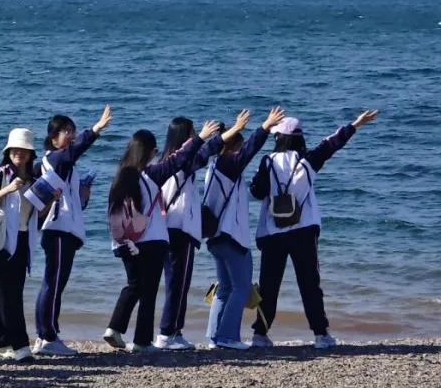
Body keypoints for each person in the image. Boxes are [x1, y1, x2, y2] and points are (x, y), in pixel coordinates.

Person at [103, 117, 242, 352]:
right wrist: (204, 137)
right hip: (154, 239)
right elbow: (185, 157)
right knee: (153, 290)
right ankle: (149, 339)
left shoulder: (123, 176)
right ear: (148, 152)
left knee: (134, 286)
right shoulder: (155, 172)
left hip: (126, 240)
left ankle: (115, 328)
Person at [249, 110, 380, 349]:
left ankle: (260, 334)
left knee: (269, 284)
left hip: (272, 232)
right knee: (310, 283)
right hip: (304, 230)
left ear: (277, 138)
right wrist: (356, 124)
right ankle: (321, 335)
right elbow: (331, 144)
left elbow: (257, 192)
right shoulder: (308, 160)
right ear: (299, 137)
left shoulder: (267, 161)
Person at [33, 106, 112, 356]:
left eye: (72, 131)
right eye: (65, 131)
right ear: (53, 137)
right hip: (56, 230)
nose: (70, 135)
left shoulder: (67, 166)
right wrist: (96, 129)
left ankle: (48, 334)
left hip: (67, 230)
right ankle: (46, 337)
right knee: (52, 283)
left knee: (56, 283)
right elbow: (75, 150)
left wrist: (84, 196)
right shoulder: (55, 158)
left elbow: (74, 203)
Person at [204, 107, 286, 349]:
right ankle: (228, 337)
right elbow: (250, 151)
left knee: (224, 289)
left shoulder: (214, 167)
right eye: (237, 146)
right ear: (230, 147)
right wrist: (265, 127)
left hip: (216, 238)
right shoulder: (228, 165)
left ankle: (213, 337)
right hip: (231, 238)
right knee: (240, 288)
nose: (241, 151)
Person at [154, 116, 232, 350]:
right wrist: (216, 136)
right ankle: (168, 333)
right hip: (180, 230)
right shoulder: (182, 162)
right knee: (178, 283)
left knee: (175, 282)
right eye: (192, 133)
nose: (195, 135)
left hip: (168, 229)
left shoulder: (166, 161)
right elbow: (206, 151)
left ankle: (173, 331)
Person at [0, 128, 38, 362]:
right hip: (1, 238)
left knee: (10, 291)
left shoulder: (34, 179)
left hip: (23, 238)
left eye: (24, 150)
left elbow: (33, 214)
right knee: (7, 292)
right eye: (15, 149)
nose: (19, 153)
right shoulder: (1, 173)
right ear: (8, 150)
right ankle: (21, 346)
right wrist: (7, 189)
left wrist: (50, 199)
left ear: (31, 153)